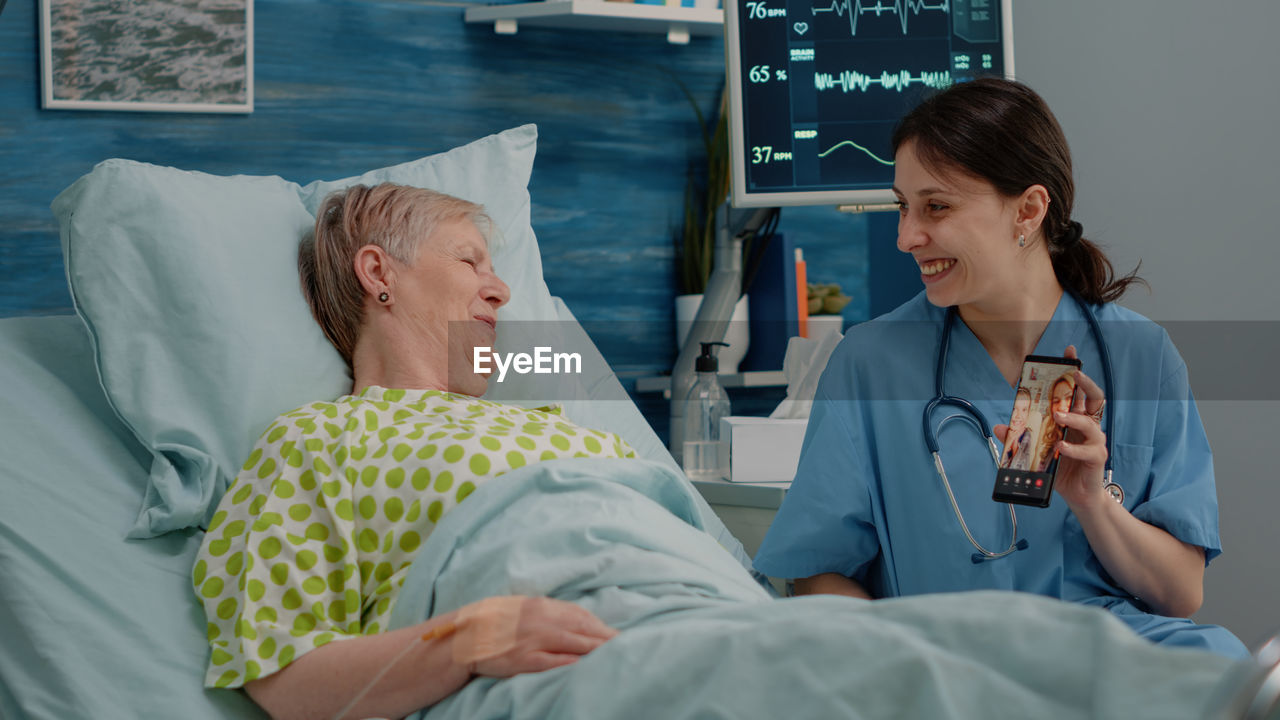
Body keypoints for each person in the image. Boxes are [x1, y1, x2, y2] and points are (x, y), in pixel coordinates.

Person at [752, 78, 1249, 658]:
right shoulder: (870, 364)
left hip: (1106, 661)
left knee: (1222, 667)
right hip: (943, 663)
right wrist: (905, 670)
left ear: (1030, 210)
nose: (907, 236)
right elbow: (817, 574)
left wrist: (1093, 501)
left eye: (936, 206)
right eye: (903, 207)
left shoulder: (1142, 358)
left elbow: (1181, 593)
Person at [193, 183, 633, 720]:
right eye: (471, 261)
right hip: (571, 677)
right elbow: (283, 675)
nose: (501, 291)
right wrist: (466, 641)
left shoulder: (561, 426)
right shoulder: (319, 439)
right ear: (379, 274)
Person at [1032, 373, 1077, 473]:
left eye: (1068, 398)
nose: (1061, 407)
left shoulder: (1083, 444)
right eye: (1056, 401)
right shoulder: (1053, 438)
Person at [999, 387, 1034, 470]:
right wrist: (1008, 443)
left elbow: (1021, 472)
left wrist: (1015, 448)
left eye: (1024, 410)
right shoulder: (999, 429)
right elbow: (992, 469)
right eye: (1014, 409)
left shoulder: (1026, 435)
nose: (1019, 416)